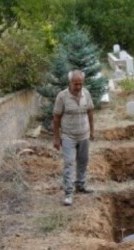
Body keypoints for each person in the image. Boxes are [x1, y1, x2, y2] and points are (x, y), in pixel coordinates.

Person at [52, 69, 95, 206]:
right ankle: (69, 193)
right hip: (68, 136)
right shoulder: (62, 96)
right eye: (75, 84)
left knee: (83, 160)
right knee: (69, 162)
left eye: (80, 84)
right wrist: (56, 138)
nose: (78, 87)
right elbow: (56, 117)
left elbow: (90, 112)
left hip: (84, 134)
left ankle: (81, 185)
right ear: (70, 82)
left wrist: (92, 131)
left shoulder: (86, 94)